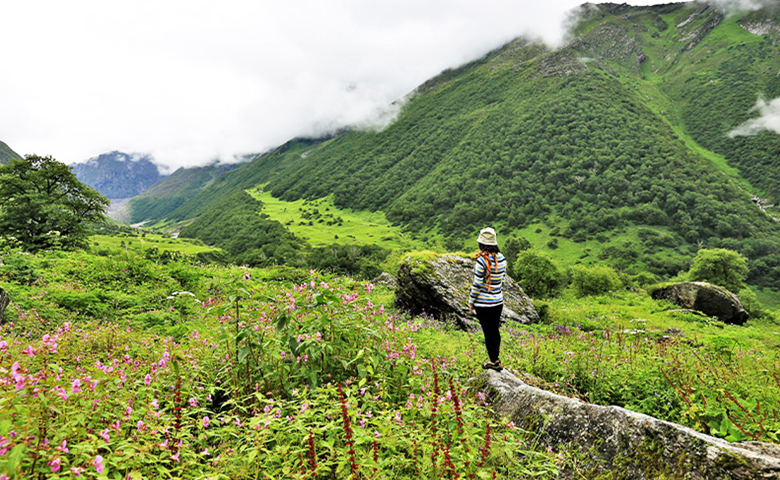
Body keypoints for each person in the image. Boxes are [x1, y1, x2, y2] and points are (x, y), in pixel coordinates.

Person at [468, 227, 507, 371]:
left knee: (488, 332)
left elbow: (477, 284)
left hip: (484, 304)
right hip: (498, 302)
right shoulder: (502, 259)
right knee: (494, 330)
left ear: (482, 244)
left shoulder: (481, 261)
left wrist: (471, 302)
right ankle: (495, 359)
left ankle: (493, 361)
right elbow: (502, 280)